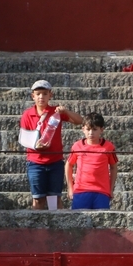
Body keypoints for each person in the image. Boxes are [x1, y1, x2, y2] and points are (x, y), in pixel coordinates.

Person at [19, 80, 82, 210]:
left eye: (44, 93)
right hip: (35, 162)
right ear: (33, 96)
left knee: (55, 199)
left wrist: (66, 111)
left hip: (55, 162)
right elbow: (24, 139)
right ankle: (37, 223)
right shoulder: (27, 115)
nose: (41, 97)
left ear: (50, 95)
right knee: (38, 199)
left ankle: (57, 223)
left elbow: (79, 121)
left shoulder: (56, 111)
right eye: (38, 94)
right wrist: (36, 146)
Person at [66, 112, 118, 209]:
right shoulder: (77, 146)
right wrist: (70, 188)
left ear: (101, 130)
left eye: (94, 129)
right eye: (88, 129)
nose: (91, 133)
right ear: (83, 129)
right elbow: (68, 165)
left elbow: (114, 167)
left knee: (102, 218)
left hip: (102, 191)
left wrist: (111, 189)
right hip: (81, 190)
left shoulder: (108, 147)